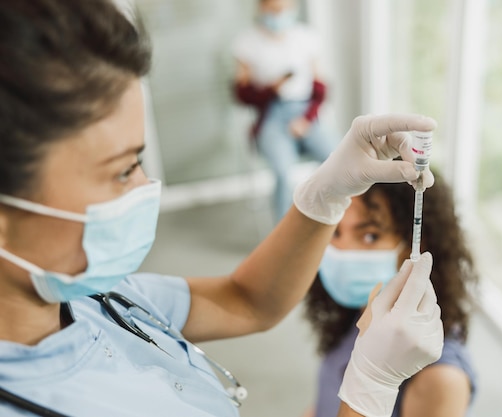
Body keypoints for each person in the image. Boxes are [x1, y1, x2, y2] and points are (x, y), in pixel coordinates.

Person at [0, 1, 443, 416]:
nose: (145, 187)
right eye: (121, 171)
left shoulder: (89, 294)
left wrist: (323, 196)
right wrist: (370, 389)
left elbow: (246, 301)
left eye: (140, 160)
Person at [304, 174, 479, 417]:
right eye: (336, 232)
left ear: (415, 245)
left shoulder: (440, 379)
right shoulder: (360, 313)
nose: (343, 250)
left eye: (370, 236)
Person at [231, 0, 337, 221]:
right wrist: (271, 89)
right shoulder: (247, 43)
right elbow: (241, 94)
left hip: (305, 114)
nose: (279, 15)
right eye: (274, 9)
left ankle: (330, 219)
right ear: (261, 8)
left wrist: (306, 119)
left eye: (284, 8)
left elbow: (320, 89)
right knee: (282, 171)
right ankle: (283, 229)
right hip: (271, 116)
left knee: (335, 158)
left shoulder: (307, 38)